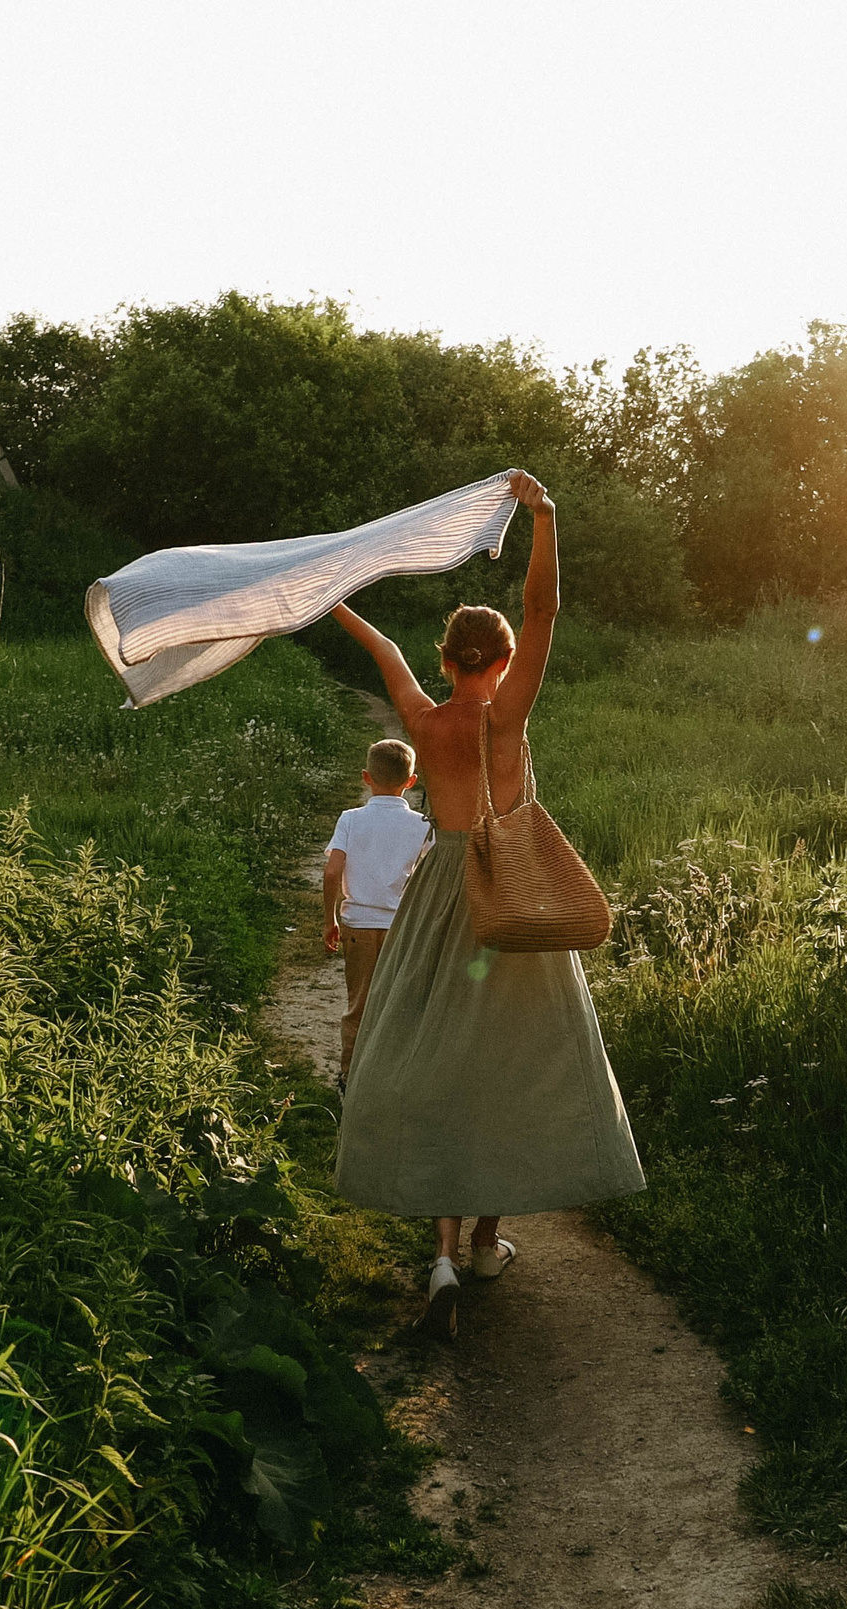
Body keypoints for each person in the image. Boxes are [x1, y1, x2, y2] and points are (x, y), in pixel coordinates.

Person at [327, 470, 645, 1339]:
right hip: (505, 901)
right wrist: (544, 517)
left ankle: (437, 1254)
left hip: (438, 896)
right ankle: (484, 1243)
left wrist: (336, 592)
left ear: (446, 660)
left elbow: (380, 652)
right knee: (509, 1067)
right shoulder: (504, 721)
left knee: (431, 1055)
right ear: (500, 663)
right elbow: (542, 614)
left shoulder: (422, 724)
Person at [322, 738, 430, 1087]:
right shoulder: (423, 826)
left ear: (366, 778)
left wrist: (330, 919)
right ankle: (394, 1075)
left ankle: (349, 1076)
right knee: (399, 1002)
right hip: (402, 927)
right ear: (411, 782)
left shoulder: (351, 820)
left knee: (359, 1004)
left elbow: (331, 871)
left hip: (358, 926)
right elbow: (430, 875)